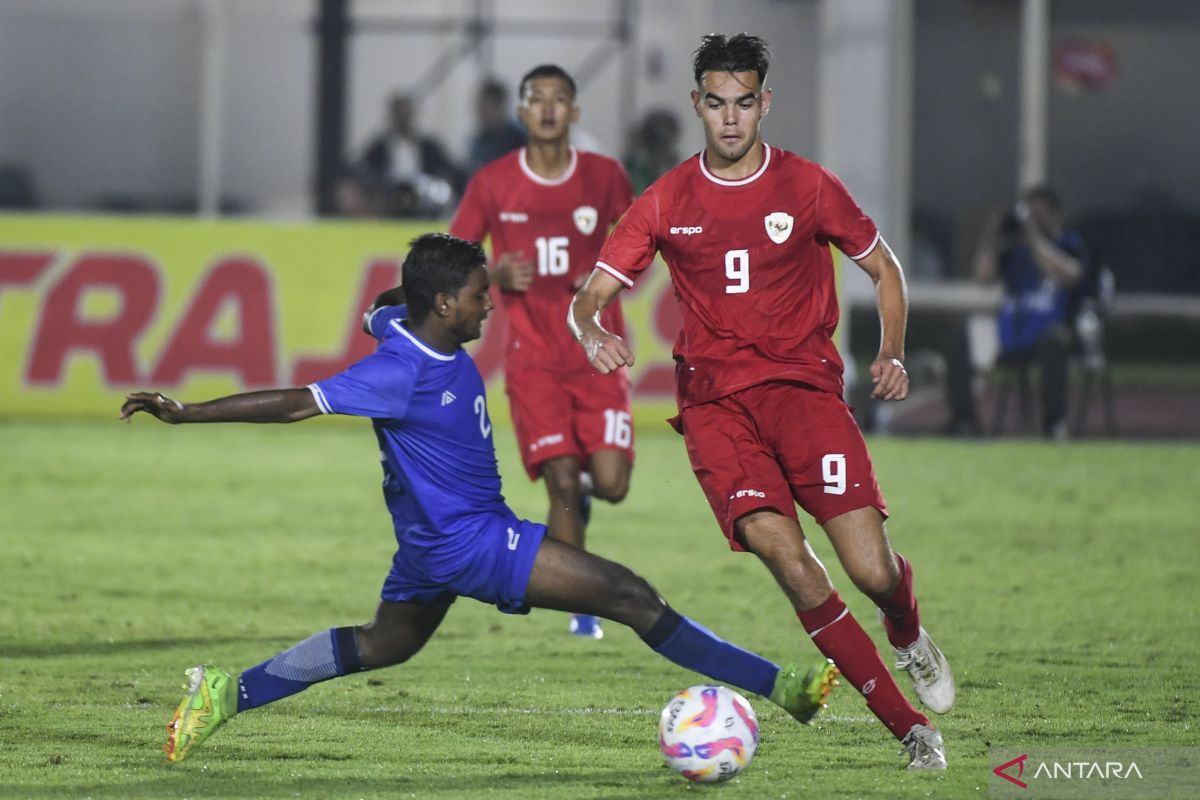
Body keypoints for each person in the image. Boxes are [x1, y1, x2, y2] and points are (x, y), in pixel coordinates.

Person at [120, 233, 837, 765]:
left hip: (430, 545)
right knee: (632, 597)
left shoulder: (397, 322)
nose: (487, 306)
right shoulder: (399, 368)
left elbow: (381, 304)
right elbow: (295, 402)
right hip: (473, 543)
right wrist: (187, 412)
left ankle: (226, 693)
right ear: (443, 305)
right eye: (475, 296)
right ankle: (785, 688)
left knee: (381, 645)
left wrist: (406, 292)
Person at [568, 34, 954, 770]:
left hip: (804, 394)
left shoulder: (806, 185)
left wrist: (892, 349)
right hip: (716, 407)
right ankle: (912, 731)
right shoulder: (667, 199)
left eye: (745, 102)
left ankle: (906, 631)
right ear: (697, 105)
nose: (731, 118)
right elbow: (589, 300)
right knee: (789, 559)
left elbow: (885, 268)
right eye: (717, 103)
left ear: (764, 102)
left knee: (871, 570)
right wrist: (591, 332)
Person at [450, 65, 635, 640]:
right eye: (537, 99)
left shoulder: (603, 176)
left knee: (610, 484)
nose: (549, 109)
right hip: (532, 359)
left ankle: (584, 495)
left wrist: (605, 275)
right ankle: (581, 608)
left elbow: (640, 241)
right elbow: (454, 256)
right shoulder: (494, 182)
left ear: (575, 112)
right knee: (559, 479)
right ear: (522, 112)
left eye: (560, 99)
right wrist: (495, 272)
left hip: (596, 352)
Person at [972, 185, 1089, 439]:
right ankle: (965, 421)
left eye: (1040, 213)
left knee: (1053, 342)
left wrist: (1033, 235)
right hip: (1016, 331)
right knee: (966, 335)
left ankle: (1053, 425)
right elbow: (983, 278)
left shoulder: (1069, 244)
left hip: (1054, 332)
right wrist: (992, 233)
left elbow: (1070, 275)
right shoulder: (1015, 253)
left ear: (1056, 215)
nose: (1034, 220)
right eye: (1030, 214)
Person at [347, 92, 464, 217]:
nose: (403, 119)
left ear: (412, 116)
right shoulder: (379, 148)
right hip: (390, 199)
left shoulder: (429, 146)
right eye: (399, 115)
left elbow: (449, 168)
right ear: (392, 117)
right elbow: (363, 169)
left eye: (406, 114)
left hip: (423, 199)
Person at [465, 78, 527, 176]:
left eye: (485, 108)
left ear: (499, 107)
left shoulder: (519, 138)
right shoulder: (479, 141)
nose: (481, 114)